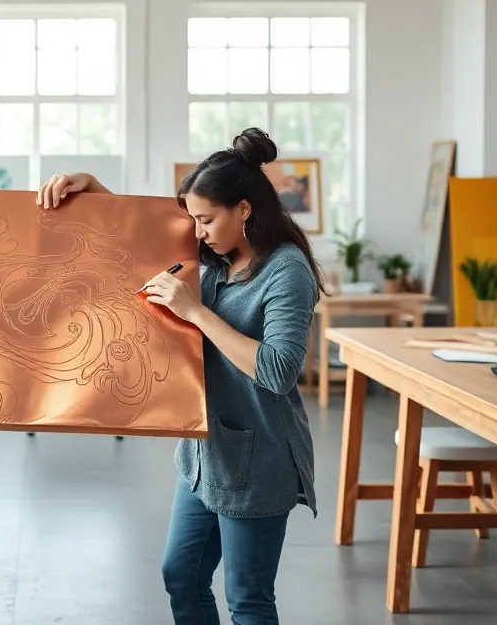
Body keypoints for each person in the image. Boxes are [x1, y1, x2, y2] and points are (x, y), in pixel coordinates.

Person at [36, 128, 322, 625]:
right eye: (192, 219)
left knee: (247, 598)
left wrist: (196, 312)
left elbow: (279, 371)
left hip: (259, 460)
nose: (197, 231)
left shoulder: (286, 270)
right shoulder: (212, 253)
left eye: (206, 219)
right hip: (204, 453)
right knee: (181, 576)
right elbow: (146, 238)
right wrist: (95, 191)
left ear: (244, 210)